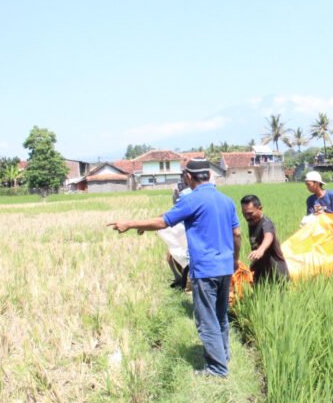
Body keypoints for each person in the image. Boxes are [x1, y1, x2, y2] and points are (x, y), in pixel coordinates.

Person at [108, 159, 240, 378]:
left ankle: (217, 369)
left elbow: (163, 222)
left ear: (188, 177)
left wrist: (130, 224)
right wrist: (234, 260)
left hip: (205, 269)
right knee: (220, 315)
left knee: (206, 318)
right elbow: (237, 234)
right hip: (225, 266)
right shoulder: (226, 201)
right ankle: (223, 355)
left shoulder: (192, 199)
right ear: (207, 174)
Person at [240, 194, 289, 284]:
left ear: (260, 208)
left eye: (250, 213)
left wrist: (260, 250)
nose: (247, 217)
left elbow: (268, 237)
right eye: (244, 213)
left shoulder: (266, 223)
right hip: (260, 271)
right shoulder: (252, 222)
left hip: (276, 273)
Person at [304, 170, 333, 235]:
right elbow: (310, 219)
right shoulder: (310, 200)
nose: (307, 187)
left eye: (308, 184)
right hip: (318, 236)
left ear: (316, 183)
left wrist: (325, 215)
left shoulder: (332, 195)